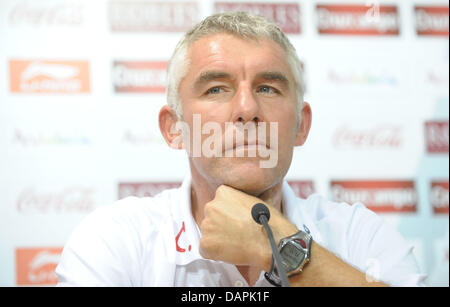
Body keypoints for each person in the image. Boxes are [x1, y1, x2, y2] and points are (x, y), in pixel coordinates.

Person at [56, 12, 426, 287]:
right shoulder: (117, 240)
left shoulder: (358, 235)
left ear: (301, 125)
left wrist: (281, 247)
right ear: (174, 129)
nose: (247, 109)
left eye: (268, 88)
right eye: (216, 88)